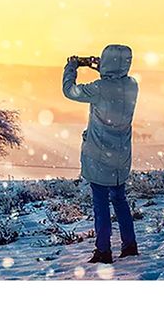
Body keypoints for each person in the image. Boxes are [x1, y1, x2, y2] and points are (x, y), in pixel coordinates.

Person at [62, 44, 139, 264]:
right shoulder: (132, 85)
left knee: (100, 204)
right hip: (121, 156)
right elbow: (115, 79)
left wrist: (72, 67)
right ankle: (129, 245)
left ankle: (103, 251)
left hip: (99, 156)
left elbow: (70, 91)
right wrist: (98, 67)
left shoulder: (98, 89)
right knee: (120, 201)